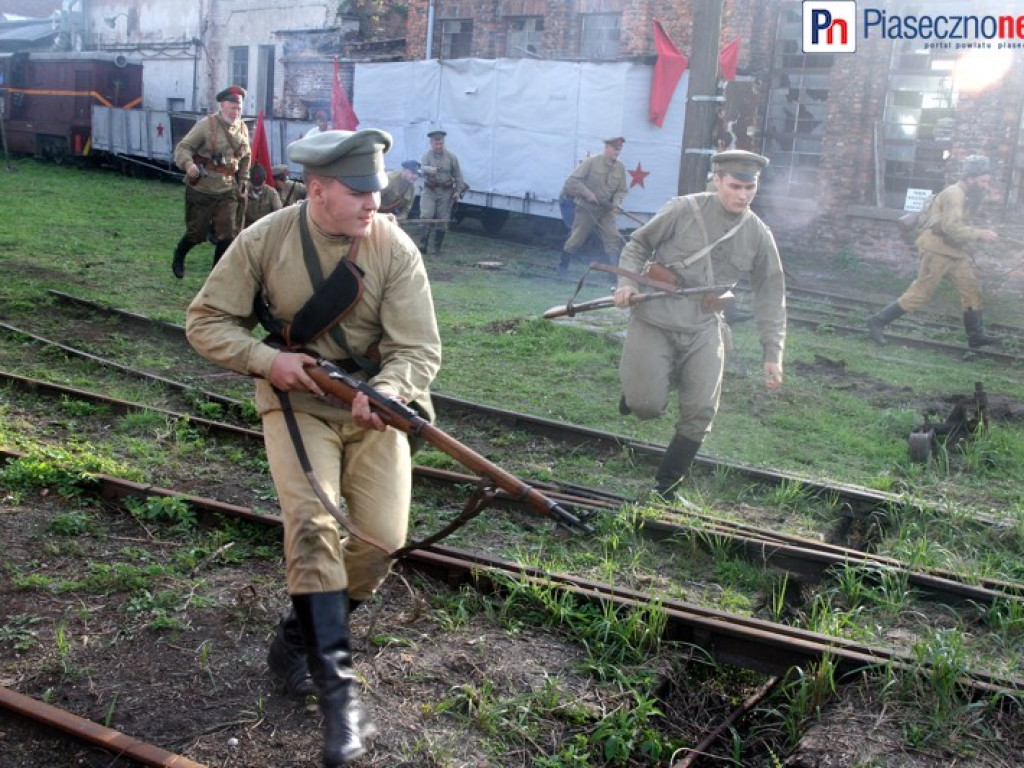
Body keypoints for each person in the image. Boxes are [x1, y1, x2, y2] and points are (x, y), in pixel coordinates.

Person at [185, 128, 442, 766]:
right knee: (313, 525)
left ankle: (296, 634)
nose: (371, 205)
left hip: (377, 411)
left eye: (376, 192)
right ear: (318, 188)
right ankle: (339, 699)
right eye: (357, 193)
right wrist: (267, 360)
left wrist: (386, 390)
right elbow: (206, 321)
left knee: (382, 541)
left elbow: (419, 348)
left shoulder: (394, 248)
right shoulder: (264, 240)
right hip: (297, 401)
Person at [612, 150, 787, 501]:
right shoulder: (683, 209)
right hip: (656, 317)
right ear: (717, 179)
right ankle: (640, 389)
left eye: (749, 188)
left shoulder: (757, 233)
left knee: (702, 410)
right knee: (647, 406)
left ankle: (666, 488)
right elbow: (638, 244)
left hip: (706, 325)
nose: (743, 195)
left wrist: (773, 352)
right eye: (735, 186)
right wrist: (626, 284)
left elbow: (771, 293)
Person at [866, 154, 1000, 349]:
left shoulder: (966, 195)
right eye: (983, 181)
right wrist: (980, 234)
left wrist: (977, 235)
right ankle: (877, 321)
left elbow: (955, 227)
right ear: (970, 178)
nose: (986, 186)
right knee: (920, 293)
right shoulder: (955, 194)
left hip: (953, 252)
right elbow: (950, 227)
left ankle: (976, 336)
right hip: (936, 251)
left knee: (971, 290)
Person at [171, 85, 251, 279]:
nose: (236, 112)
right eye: (233, 107)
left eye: (239, 108)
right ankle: (179, 255)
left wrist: (243, 179)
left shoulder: (242, 128)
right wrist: (188, 165)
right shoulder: (206, 125)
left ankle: (215, 276)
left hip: (227, 189)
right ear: (223, 105)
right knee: (196, 234)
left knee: (227, 234)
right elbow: (183, 148)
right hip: (203, 188)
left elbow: (246, 156)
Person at [558, 137, 629, 276]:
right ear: (607, 148)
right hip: (587, 208)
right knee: (577, 238)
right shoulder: (591, 162)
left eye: (619, 149)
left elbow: (622, 190)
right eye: (615, 149)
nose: (617, 152)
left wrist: (616, 203)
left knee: (612, 237)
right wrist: (588, 193)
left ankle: (613, 274)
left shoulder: (620, 167)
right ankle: (562, 267)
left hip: (606, 210)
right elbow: (573, 180)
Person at [418, 130, 468, 255]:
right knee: (426, 215)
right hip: (430, 190)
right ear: (431, 143)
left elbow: (458, 175)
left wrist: (458, 191)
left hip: (445, 192)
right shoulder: (426, 155)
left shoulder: (451, 157)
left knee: (442, 220)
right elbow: (420, 168)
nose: (438, 146)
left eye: (440, 144)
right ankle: (423, 245)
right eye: (436, 144)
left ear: (443, 143)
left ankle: (436, 248)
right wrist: (430, 169)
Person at [240, 164, 283, 228]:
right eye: (254, 184)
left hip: (266, 228)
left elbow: (279, 213)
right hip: (248, 228)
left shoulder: (272, 193)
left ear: (264, 181)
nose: (257, 188)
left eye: (259, 184)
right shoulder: (244, 192)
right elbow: (240, 216)